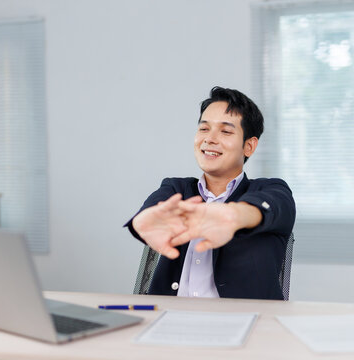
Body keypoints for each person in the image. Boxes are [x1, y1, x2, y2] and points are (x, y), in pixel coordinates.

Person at [124, 86, 296, 300]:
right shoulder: (176, 188)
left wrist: (234, 216)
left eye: (225, 131)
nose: (210, 139)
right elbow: (155, 209)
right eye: (204, 129)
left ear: (249, 146)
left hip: (243, 323)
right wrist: (144, 220)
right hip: (170, 320)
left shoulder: (271, 189)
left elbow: (272, 207)